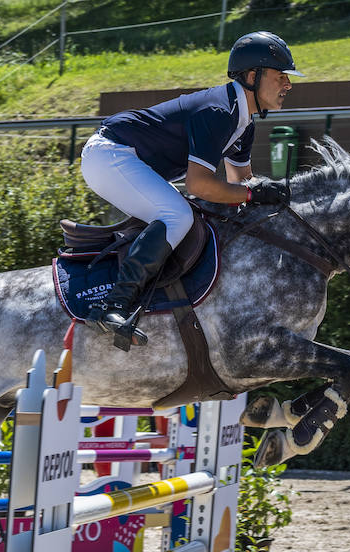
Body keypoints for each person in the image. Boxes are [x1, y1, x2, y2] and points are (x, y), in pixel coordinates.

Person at [79, 31, 302, 347]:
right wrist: (254, 194)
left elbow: (242, 184)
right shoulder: (218, 111)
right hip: (110, 154)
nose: (288, 85)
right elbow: (200, 184)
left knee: (187, 215)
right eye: (281, 76)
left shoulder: (244, 124)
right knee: (178, 214)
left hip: (124, 159)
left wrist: (271, 195)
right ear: (253, 76)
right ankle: (113, 306)